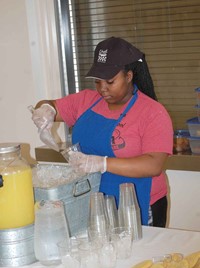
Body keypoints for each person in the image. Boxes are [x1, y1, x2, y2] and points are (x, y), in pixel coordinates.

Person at [32, 36, 173, 227]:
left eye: (110, 81)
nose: (103, 89)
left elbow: (153, 165)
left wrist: (102, 163)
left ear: (129, 76)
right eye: (98, 82)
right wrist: (45, 111)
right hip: (96, 201)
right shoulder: (86, 101)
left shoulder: (152, 112)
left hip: (140, 203)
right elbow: (49, 105)